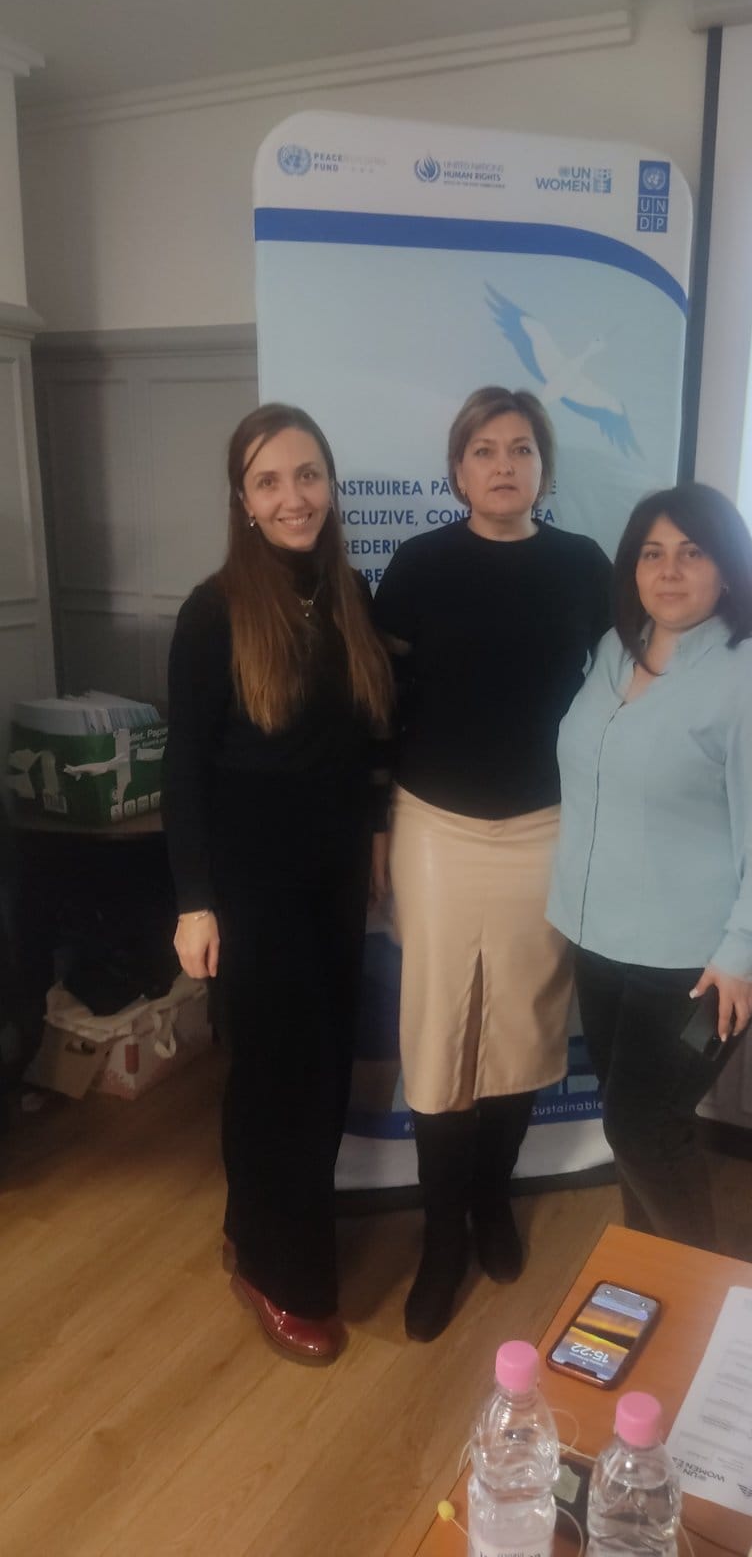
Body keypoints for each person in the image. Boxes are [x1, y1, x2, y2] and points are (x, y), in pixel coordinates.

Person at [372, 386, 612, 1341]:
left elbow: (624, 687)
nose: (503, 465)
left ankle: (490, 1199)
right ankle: (441, 1237)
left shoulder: (584, 566)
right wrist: (375, 824)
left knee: (519, 1023)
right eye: (483, 450)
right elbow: (382, 704)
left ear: (543, 467)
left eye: (520, 449)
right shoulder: (420, 565)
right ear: (457, 470)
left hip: (545, 826)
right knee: (440, 1031)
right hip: (435, 824)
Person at [162, 402, 392, 1363]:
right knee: (278, 1081)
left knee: (320, 1070)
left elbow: (364, 740)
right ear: (244, 502)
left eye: (307, 475)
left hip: (331, 879)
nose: (293, 497)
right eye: (269, 481)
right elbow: (183, 767)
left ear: (329, 485)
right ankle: (285, 1275)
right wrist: (193, 901)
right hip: (251, 887)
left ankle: (249, 1228)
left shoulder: (349, 595)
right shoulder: (212, 610)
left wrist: (374, 833)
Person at [548, 482, 752, 1249]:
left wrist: (746, 958)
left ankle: (695, 1296)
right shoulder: (616, 651)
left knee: (645, 1128)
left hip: (701, 967)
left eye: (692, 553)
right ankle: (647, 1269)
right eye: (652, 553)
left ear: (727, 570)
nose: (668, 571)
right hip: (603, 942)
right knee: (629, 1121)